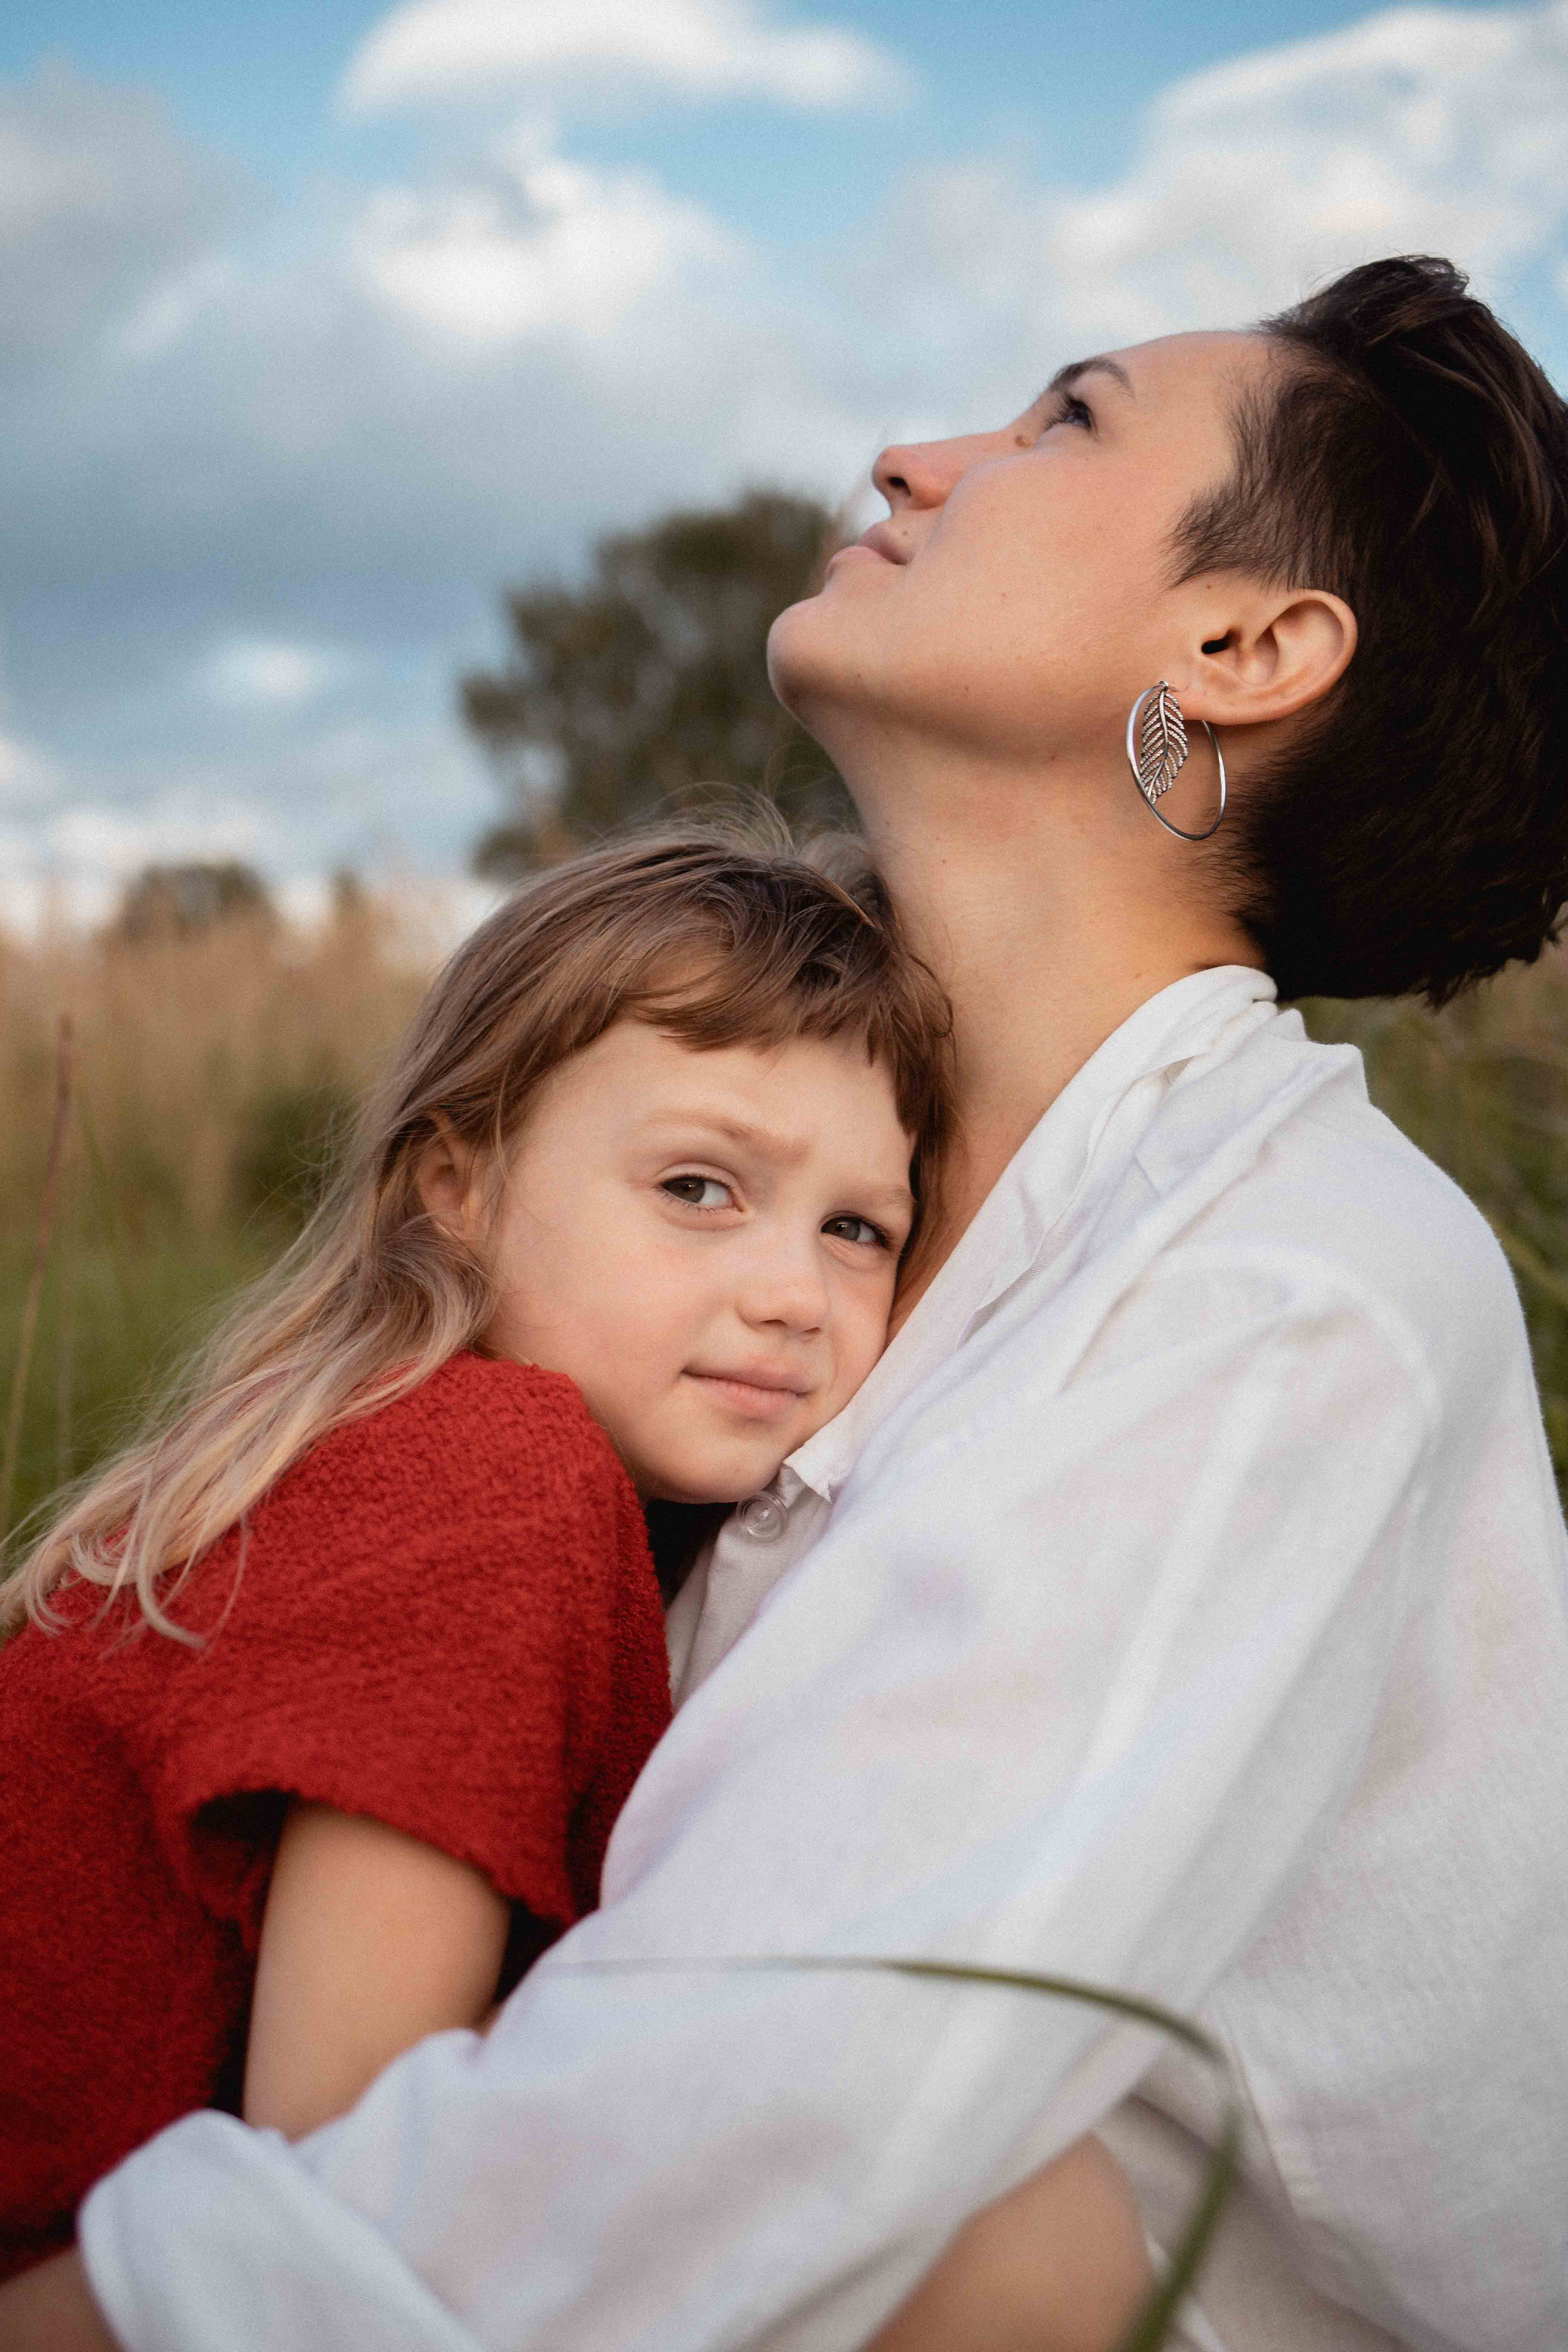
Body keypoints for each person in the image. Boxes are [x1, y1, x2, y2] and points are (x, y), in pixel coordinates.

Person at [7, 253, 1568, 2348]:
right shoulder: (744, 1269)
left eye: (1064, 422)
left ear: (1243, 648)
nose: (911, 460)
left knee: (1005, 2243)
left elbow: (798, 2076)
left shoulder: (1291, 1290)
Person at [0, 829, 1153, 2351]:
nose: (790, 1296)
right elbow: (342, 2149)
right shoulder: (490, 1470)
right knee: (1017, 2232)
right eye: (697, 1187)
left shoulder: (498, 1478)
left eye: (855, 1230)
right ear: (456, 1189)